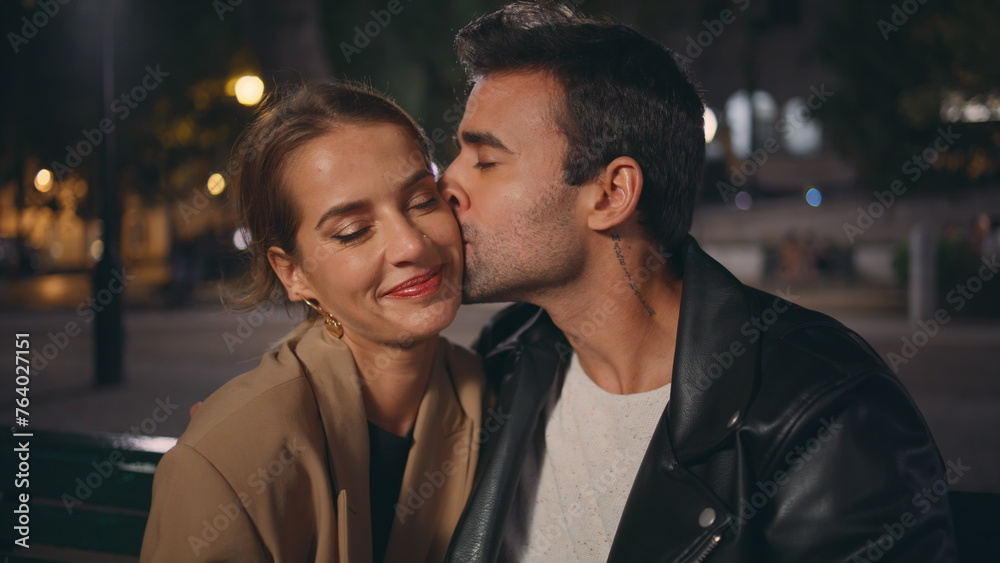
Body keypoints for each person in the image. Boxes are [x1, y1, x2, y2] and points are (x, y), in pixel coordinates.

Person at [439, 2, 956, 562]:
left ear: (613, 194)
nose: (447, 186)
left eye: (486, 161)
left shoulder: (826, 414)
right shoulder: (509, 355)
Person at [141, 82, 485, 562]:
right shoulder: (232, 459)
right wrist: (235, 441)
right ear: (293, 272)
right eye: (353, 231)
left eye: (423, 201)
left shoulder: (498, 398)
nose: (412, 245)